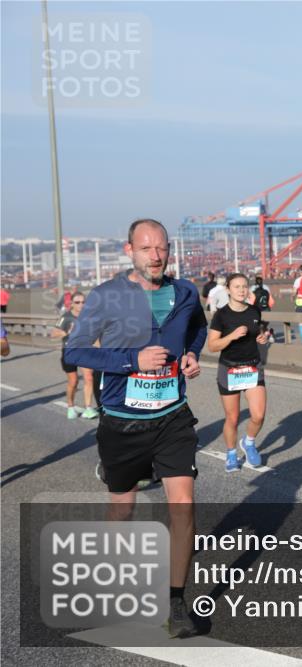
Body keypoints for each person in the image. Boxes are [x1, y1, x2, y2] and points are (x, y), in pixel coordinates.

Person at [64, 218, 207, 639]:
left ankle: (175, 602)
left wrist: (192, 356)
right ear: (130, 251)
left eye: (161, 247)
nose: (156, 256)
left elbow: (197, 329)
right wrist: (132, 362)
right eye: (146, 249)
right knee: (122, 508)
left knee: (183, 507)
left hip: (173, 417)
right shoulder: (107, 296)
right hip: (123, 423)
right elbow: (73, 351)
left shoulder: (184, 292)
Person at [207, 273, 269, 472]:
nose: (241, 290)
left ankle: (249, 442)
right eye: (236, 287)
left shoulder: (254, 311)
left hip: (252, 367)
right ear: (228, 290)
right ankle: (231, 453)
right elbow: (212, 346)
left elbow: (257, 333)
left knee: (258, 415)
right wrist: (232, 336)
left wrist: (262, 338)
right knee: (232, 418)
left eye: (244, 286)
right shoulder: (221, 315)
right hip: (230, 368)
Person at [52, 291, 99, 419]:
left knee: (89, 377)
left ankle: (88, 408)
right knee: (73, 381)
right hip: (69, 351)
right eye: (77, 302)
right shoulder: (66, 317)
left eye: (83, 302)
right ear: (71, 304)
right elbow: (54, 333)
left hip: (85, 350)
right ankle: (70, 406)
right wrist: (68, 333)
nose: (81, 305)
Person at [248, 274, 275, 343]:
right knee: (263, 325)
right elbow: (271, 302)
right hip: (267, 310)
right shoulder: (266, 289)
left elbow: (250, 303)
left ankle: (265, 337)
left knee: (258, 327)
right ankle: (269, 334)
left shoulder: (252, 290)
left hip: (257, 312)